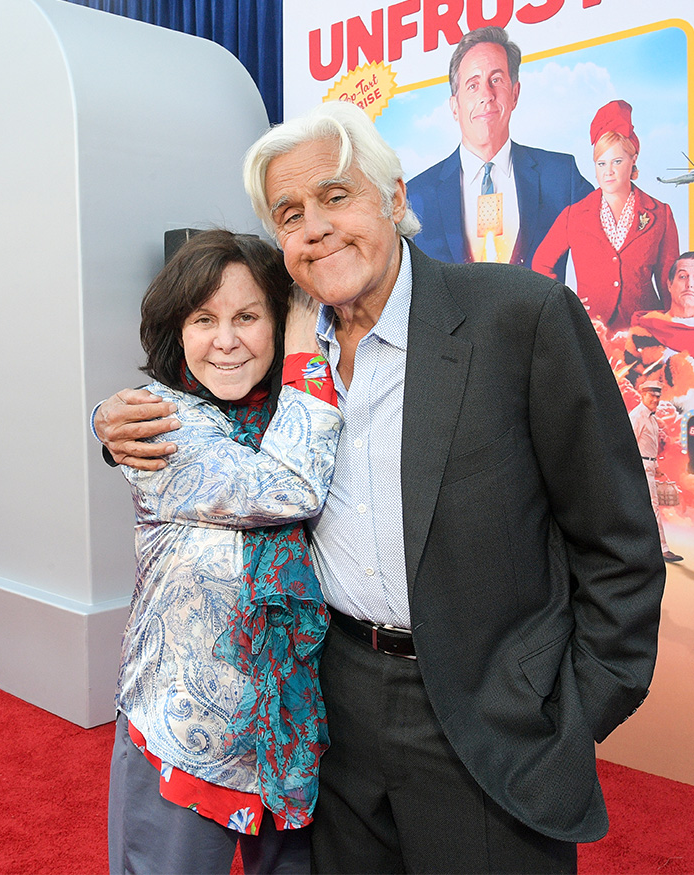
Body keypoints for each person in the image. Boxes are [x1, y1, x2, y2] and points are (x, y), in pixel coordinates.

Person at [94, 103, 665, 874]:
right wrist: (107, 423)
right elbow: (202, 422)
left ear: (395, 198)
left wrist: (573, 708)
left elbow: (619, 542)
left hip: (484, 707)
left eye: (336, 195)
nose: (316, 227)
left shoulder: (518, 318)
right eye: (290, 213)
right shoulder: (282, 367)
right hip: (336, 707)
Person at [103, 230, 343, 874]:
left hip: (291, 734)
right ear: (176, 332)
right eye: (203, 320)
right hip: (182, 733)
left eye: (248, 316)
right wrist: (300, 332)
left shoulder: (302, 412)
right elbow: (289, 486)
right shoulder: (158, 424)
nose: (227, 340)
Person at [406, 26, 592, 275]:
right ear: (454, 106)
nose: (486, 95)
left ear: (515, 94)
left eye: (496, 80)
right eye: (473, 85)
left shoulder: (560, 177)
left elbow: (612, 235)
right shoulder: (416, 196)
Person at [532, 100, 680, 331]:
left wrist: (674, 331)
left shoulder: (660, 214)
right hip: (591, 333)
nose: (608, 171)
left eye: (617, 161)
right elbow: (541, 263)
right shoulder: (574, 215)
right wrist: (564, 307)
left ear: (633, 160)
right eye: (601, 163)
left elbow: (669, 283)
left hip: (646, 335)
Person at [628, 380, 683, 562]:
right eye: (652, 395)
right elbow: (630, 445)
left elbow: (648, 445)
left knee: (644, 508)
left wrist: (656, 467)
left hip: (649, 465)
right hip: (640, 467)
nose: (656, 399)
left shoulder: (651, 417)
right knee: (652, 507)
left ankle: (640, 548)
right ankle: (663, 549)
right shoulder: (637, 416)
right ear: (642, 395)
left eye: (658, 396)